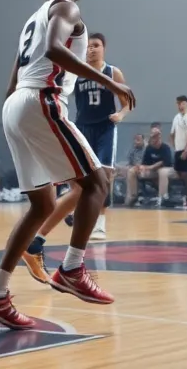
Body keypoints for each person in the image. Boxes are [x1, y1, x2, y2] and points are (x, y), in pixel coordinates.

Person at [0, 0, 134, 329]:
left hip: (17, 104)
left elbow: (17, 72)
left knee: (40, 205)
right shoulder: (66, 6)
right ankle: (73, 269)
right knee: (97, 183)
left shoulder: (34, 17)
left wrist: (15, 113)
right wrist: (111, 83)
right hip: (42, 99)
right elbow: (53, 51)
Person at [69, 33, 127, 239]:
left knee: (104, 175)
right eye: (89, 46)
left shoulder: (112, 72)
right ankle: (74, 209)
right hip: (82, 127)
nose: (92, 49)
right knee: (78, 175)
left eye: (96, 45)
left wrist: (120, 114)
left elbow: (126, 100)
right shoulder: (75, 72)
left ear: (104, 48)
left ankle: (100, 224)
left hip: (105, 128)